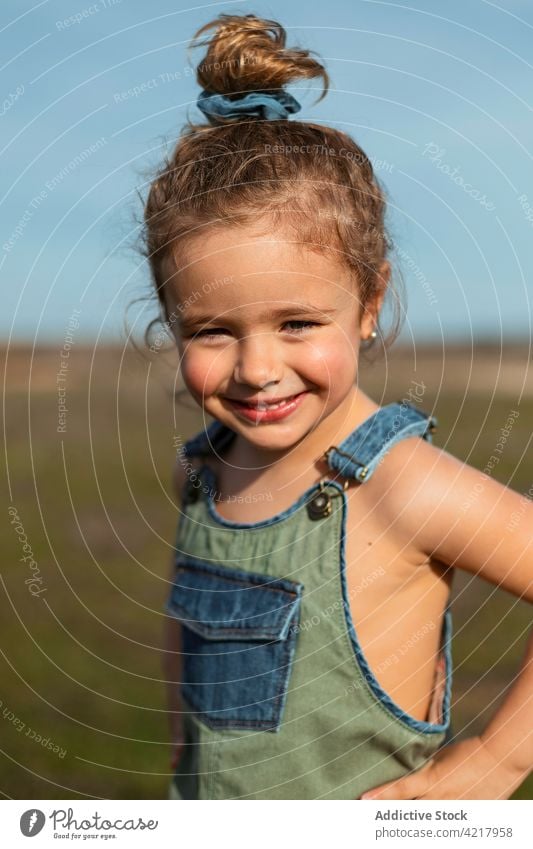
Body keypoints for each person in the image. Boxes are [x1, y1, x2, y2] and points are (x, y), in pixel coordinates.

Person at [142, 13, 533, 800]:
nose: (256, 369)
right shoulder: (205, 467)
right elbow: (190, 638)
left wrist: (495, 760)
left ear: (368, 301)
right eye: (213, 330)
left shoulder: (398, 483)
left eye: (296, 323)